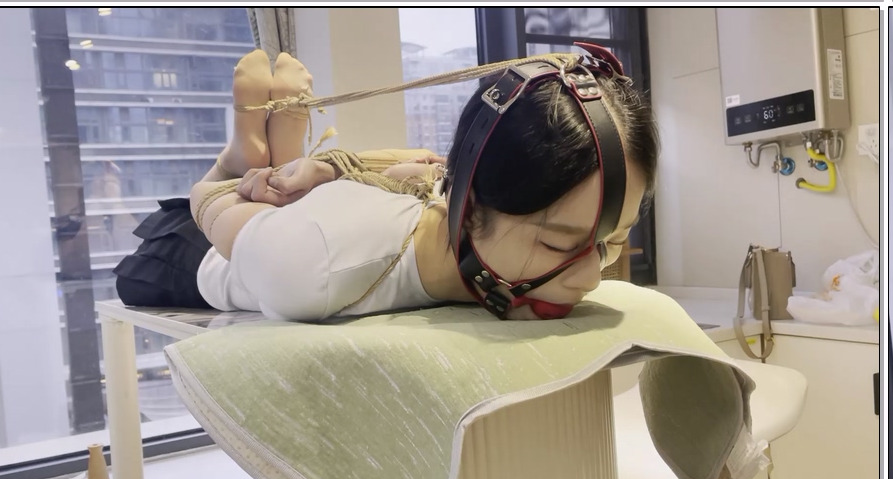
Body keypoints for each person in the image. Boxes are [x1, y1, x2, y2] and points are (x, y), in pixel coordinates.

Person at [114, 46, 658, 322]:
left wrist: (330, 167)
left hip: (322, 208)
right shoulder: (312, 264)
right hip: (197, 251)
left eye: (611, 241)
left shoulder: (450, 189)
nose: (592, 277)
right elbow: (206, 201)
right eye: (560, 244)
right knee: (245, 181)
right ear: (470, 208)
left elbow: (436, 164)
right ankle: (243, 153)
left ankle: (290, 156)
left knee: (332, 175)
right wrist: (236, 179)